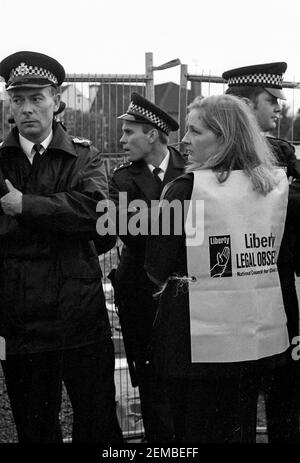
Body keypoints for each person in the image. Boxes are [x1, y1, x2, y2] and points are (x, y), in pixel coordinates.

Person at [145, 94, 293, 443]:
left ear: (224, 137)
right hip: (250, 341)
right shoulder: (273, 187)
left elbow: (156, 266)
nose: (184, 140)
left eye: (195, 131)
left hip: (191, 343)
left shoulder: (183, 190)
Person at [0, 51, 122, 443]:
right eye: (18, 99)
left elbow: (97, 215)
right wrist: (63, 219)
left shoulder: (84, 155)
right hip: (22, 319)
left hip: (80, 317)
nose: (27, 108)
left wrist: (25, 206)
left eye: (37, 98)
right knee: (35, 428)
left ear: (57, 101)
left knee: (98, 424)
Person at [223, 62, 300, 442]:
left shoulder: (282, 152)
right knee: (237, 394)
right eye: (271, 100)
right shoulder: (217, 154)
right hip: (234, 286)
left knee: (286, 385)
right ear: (244, 104)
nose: (279, 107)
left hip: (279, 282)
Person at [109, 92, 186, 442]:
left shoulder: (192, 171)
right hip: (139, 290)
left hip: (184, 293)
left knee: (185, 379)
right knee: (150, 378)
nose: (122, 140)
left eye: (129, 133)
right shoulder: (123, 178)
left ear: (152, 134)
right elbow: (128, 229)